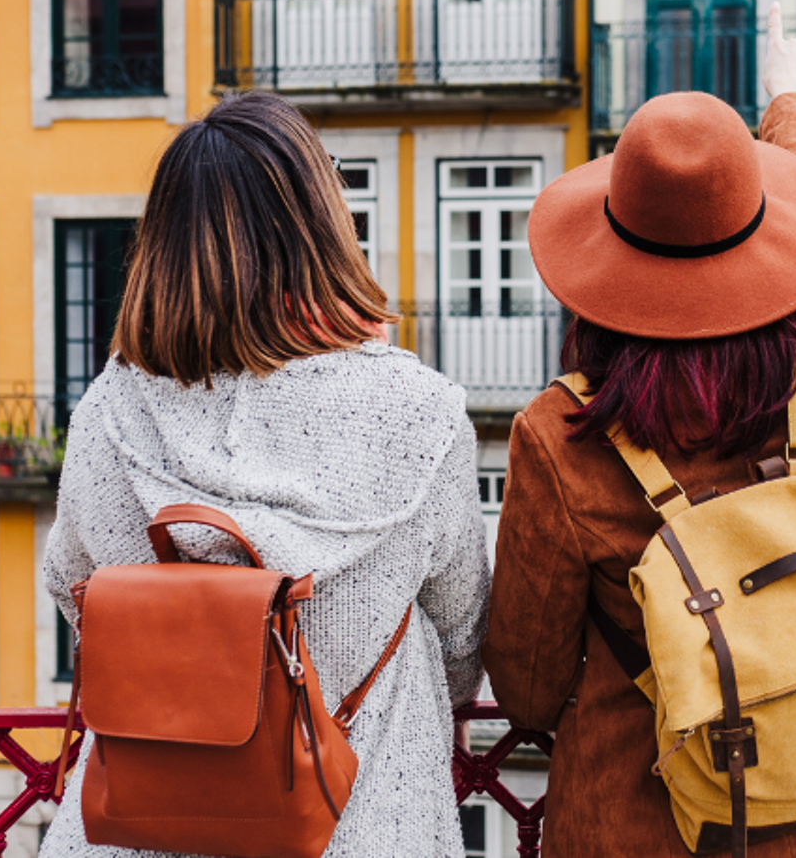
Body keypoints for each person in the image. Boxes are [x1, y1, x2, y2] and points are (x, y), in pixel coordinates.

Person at [482, 5, 796, 855]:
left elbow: (528, 690)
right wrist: (791, 97)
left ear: (605, 261)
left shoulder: (560, 434)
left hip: (638, 823)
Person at [38, 91, 490, 858]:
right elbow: (460, 638)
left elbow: (73, 590)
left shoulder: (109, 407)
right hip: (359, 825)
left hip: (135, 832)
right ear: (323, 224)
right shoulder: (421, 414)